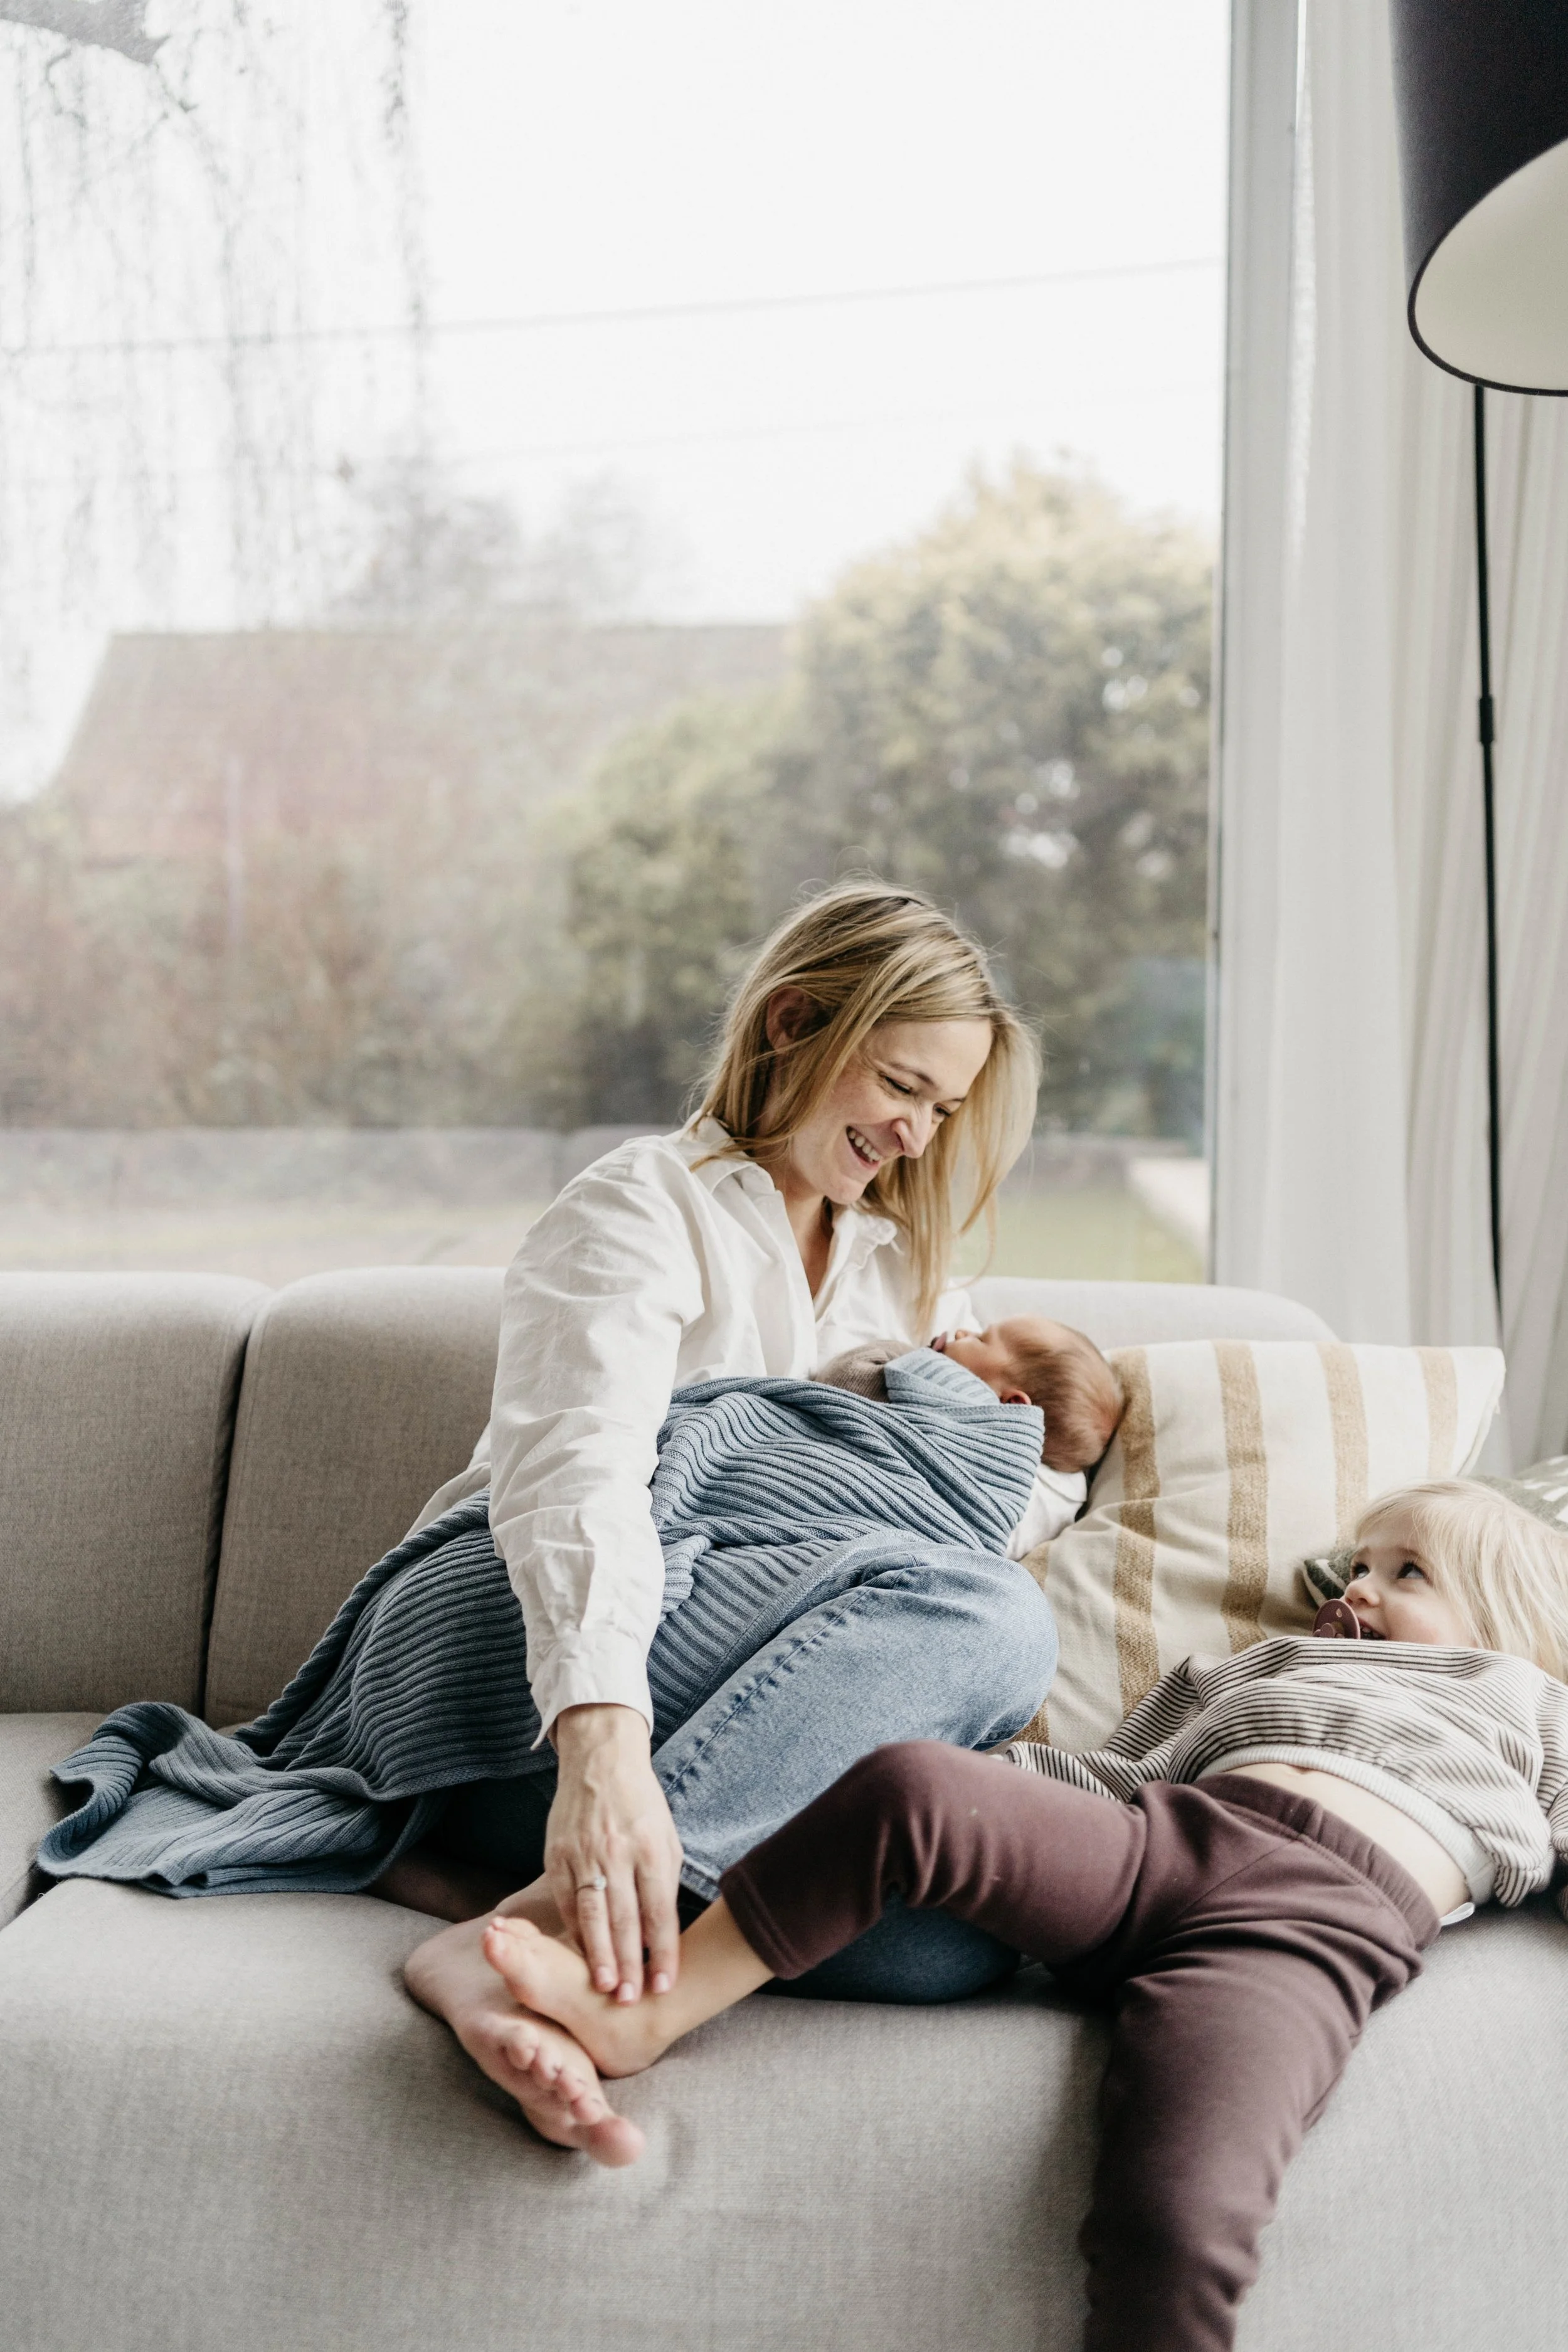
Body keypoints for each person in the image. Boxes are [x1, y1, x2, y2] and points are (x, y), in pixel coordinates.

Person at [471, 1478, 1568, 2349]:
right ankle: (644, 2017)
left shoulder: (1525, 1704)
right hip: (1152, 1851)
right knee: (915, 1785)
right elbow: (1105, 1773)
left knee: (1182, 2213)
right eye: (1357, 1565)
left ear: (1508, 1625)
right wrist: (994, 1801)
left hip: (1306, 1931)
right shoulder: (1256, 1665)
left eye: (1405, 1571)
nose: (1357, 1588)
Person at [400, 882, 1060, 2156]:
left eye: (941, 1108)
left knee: (955, 1943)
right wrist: (599, 1762)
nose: (917, 1135)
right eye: (900, 1085)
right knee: (984, 1614)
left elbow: (996, 1476)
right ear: (790, 1022)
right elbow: (573, 1477)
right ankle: (557, 1917)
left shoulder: (902, 1275)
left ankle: (501, 1903)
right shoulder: (638, 1206)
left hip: (702, 1699)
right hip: (528, 1651)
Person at [815, 1315, 1123, 1552]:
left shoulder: (954, 1422)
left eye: (982, 1339)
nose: (963, 1332)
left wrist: (909, 1354)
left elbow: (844, 1380)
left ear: (1012, 1404)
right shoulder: (1059, 1505)